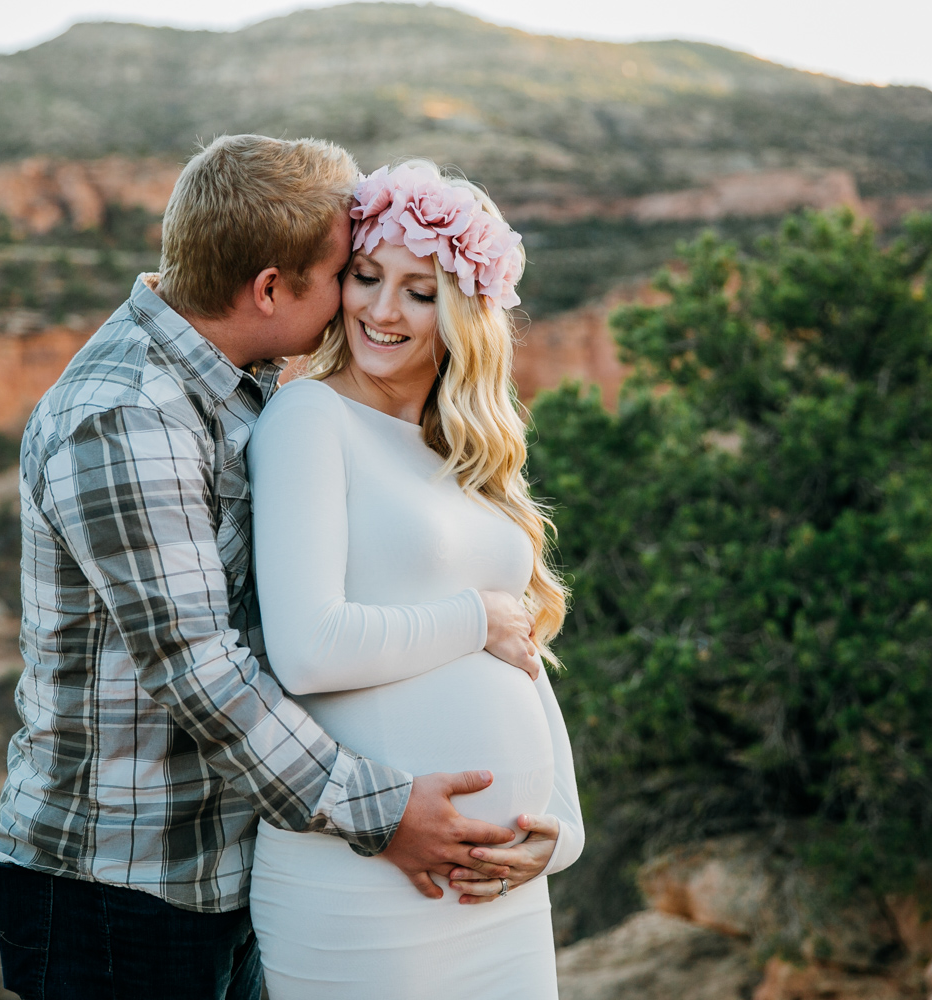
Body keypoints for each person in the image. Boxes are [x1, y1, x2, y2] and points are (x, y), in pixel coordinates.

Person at [0, 136, 546, 1000]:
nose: (356, 308)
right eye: (343, 276)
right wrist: (384, 813)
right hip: (118, 888)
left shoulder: (239, 388)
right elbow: (201, 671)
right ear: (271, 290)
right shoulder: (127, 417)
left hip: (225, 867)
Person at [246, 160, 585, 999]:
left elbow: (523, 654)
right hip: (363, 879)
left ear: (466, 314)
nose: (383, 310)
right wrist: (474, 616)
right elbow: (308, 649)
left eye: (420, 290)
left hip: (500, 881)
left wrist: (564, 833)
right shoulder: (308, 418)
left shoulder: (468, 454)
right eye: (367, 278)